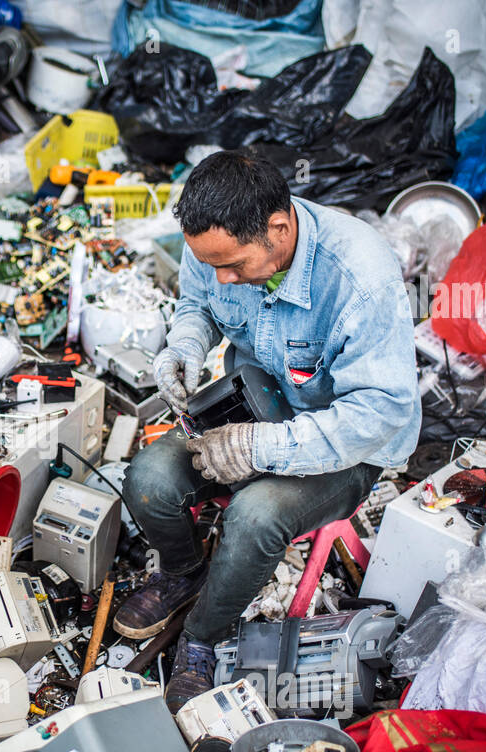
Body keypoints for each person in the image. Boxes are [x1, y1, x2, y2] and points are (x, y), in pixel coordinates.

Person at [114, 149, 421, 712]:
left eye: (233, 266)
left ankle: (202, 638)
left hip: (346, 444)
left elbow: (381, 411)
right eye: (210, 264)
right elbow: (196, 304)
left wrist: (262, 447)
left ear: (278, 229)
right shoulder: (214, 246)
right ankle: (185, 573)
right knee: (149, 480)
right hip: (254, 403)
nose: (221, 277)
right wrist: (184, 347)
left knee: (253, 516)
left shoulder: (358, 277)